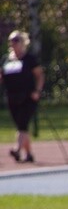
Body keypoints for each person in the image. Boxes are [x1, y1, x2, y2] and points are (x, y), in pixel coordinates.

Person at [1, 30, 44, 163]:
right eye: (11, 41)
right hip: (12, 97)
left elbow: (39, 75)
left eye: (16, 40)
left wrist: (37, 91)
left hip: (28, 96)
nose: (13, 43)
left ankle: (17, 149)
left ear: (22, 42)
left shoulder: (29, 59)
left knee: (22, 124)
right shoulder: (6, 59)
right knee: (21, 126)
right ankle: (29, 154)